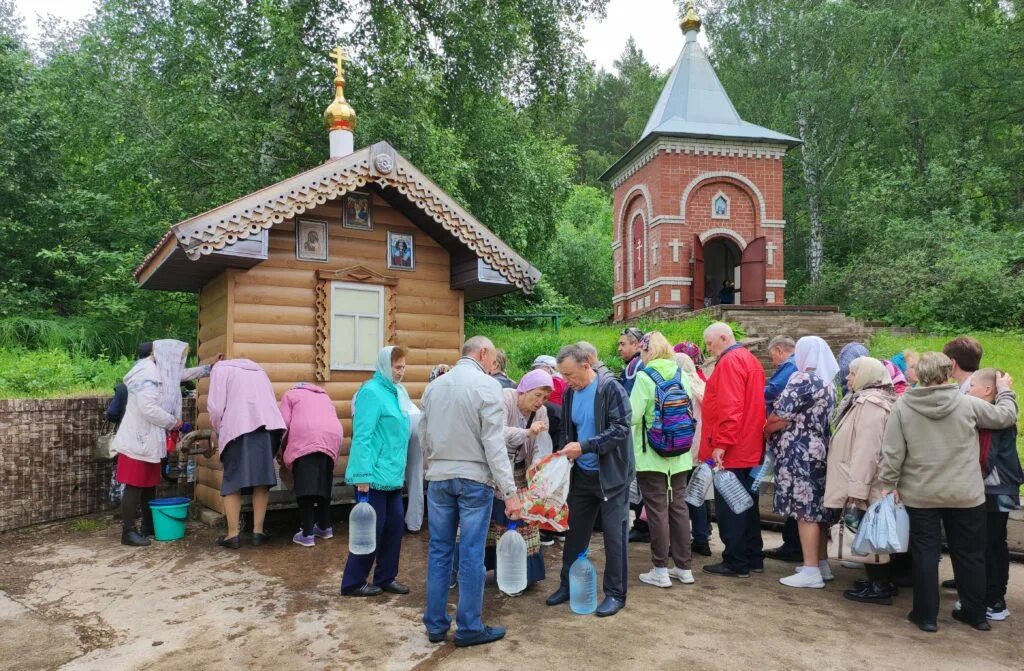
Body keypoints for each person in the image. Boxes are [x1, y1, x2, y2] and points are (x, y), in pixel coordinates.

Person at [879, 352, 1017, 632]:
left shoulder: (903, 407)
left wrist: (888, 484)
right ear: (946, 373)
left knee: (926, 553)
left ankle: (926, 615)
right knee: (970, 553)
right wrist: (1004, 392)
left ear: (922, 374)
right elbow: (1005, 417)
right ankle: (975, 614)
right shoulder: (967, 404)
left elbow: (892, 452)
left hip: (921, 493)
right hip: (966, 493)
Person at [420, 336, 521, 647]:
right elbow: (494, 444)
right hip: (474, 479)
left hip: (439, 477)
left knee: (439, 551)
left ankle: (436, 625)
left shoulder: (434, 386)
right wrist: (510, 491)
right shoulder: (488, 386)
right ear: (483, 353)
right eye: (492, 359)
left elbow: (423, 434)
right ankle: (469, 627)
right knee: (471, 554)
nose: (493, 366)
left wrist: (432, 467)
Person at [545, 343, 634, 617]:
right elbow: (567, 430)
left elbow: (620, 429)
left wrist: (585, 446)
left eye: (571, 375)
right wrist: (566, 452)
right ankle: (567, 585)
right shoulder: (571, 393)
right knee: (575, 533)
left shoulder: (610, 389)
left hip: (612, 476)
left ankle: (616, 594)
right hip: (582, 473)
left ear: (587, 365)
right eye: (564, 377)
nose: (568, 382)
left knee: (614, 535)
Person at [113, 340, 210, 546]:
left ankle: (148, 526)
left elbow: (180, 375)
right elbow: (148, 408)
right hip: (138, 439)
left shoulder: (155, 371)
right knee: (134, 485)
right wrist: (176, 423)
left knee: (149, 485)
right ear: (157, 356)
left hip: (148, 440)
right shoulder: (147, 375)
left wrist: (209, 369)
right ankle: (128, 532)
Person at [764, 336, 838, 588]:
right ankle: (821, 563)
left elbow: (780, 416)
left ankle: (809, 570)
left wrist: (766, 428)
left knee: (805, 511)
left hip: (799, 451)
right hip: (819, 449)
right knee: (818, 509)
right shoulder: (829, 383)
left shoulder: (802, 379)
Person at [823, 357, 898, 604]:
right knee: (870, 533)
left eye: (853, 373)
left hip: (867, 483)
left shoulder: (871, 404)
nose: (848, 378)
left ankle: (880, 585)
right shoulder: (866, 399)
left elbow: (868, 449)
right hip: (864, 479)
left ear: (866, 375)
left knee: (871, 534)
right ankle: (878, 581)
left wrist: (858, 490)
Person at [341, 346, 414, 597]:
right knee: (371, 529)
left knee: (394, 527)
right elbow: (362, 436)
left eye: (403, 367)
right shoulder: (370, 392)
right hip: (372, 476)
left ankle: (385, 577)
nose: (401, 372)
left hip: (393, 474)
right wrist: (362, 476)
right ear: (385, 366)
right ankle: (353, 582)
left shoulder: (398, 392)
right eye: (397, 367)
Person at [698, 322, 766, 578]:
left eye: (710, 343)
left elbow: (730, 406)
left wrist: (721, 444)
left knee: (731, 507)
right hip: (748, 444)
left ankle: (736, 561)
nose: (708, 349)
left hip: (733, 448)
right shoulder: (749, 359)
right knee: (748, 504)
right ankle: (753, 556)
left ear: (723, 338)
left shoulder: (728, 362)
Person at [631, 332, 695, 588]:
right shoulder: (682, 375)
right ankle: (684, 567)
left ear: (647, 352)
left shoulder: (645, 377)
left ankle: (660, 568)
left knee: (657, 511)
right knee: (678, 508)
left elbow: (632, 416)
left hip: (652, 457)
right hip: (680, 456)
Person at [484, 369, 554, 589]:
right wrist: (526, 433)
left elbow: (541, 445)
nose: (540, 401)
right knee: (491, 516)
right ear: (524, 389)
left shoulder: (541, 412)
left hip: (520, 469)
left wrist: (536, 469)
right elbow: (497, 432)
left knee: (521, 516)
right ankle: (485, 567)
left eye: (544, 397)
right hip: (496, 468)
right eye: (537, 395)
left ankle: (523, 573)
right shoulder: (506, 398)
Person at [208, 358, 286, 549]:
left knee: (233, 479)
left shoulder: (220, 369)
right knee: (262, 479)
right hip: (267, 427)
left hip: (238, 427)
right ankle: (258, 532)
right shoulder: (259, 370)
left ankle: (233, 535)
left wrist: (219, 428)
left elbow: (217, 408)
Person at [968, 368, 1023, 621]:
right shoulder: (997, 412)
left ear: (988, 390)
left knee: (989, 545)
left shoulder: (992, 418)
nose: (968, 392)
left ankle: (993, 600)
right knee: (994, 544)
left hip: (993, 490)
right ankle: (994, 598)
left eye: (972, 387)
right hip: (1001, 488)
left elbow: (985, 459)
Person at [279, 383, 343, 547]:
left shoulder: (290, 395)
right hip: (331, 438)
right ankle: (324, 526)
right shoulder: (324, 396)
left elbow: (283, 425)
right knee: (323, 486)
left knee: (305, 490)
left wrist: (280, 448)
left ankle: (307, 533)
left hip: (305, 437)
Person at [761, 335, 802, 563]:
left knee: (794, 498)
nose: (773, 363)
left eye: (772, 357)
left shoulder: (790, 366)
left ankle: (793, 545)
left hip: (790, 442)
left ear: (779, 350)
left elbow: (771, 391)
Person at [675, 350, 712, 556]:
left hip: (683, 447)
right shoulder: (701, 384)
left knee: (680, 497)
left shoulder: (679, 385)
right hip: (702, 447)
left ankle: (680, 542)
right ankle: (702, 538)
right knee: (699, 495)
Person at [617, 327, 649, 544]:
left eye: (623, 344)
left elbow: (629, 400)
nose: (619, 348)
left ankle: (642, 525)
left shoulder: (635, 366)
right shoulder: (634, 365)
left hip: (638, 430)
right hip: (639, 429)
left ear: (637, 345)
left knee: (639, 480)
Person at [617, 327, 645, 395]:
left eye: (623, 344)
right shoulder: (643, 361)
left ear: (635, 344)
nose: (619, 349)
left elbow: (625, 398)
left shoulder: (634, 365)